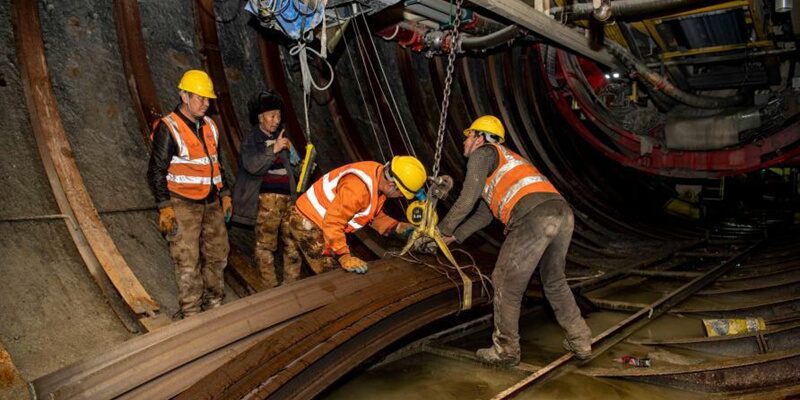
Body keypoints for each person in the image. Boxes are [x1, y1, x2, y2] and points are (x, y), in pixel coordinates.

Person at [435, 115, 592, 366]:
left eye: (469, 135)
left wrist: (438, 230)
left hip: (533, 216)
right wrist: (453, 236)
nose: (465, 140)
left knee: (505, 281)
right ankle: (581, 340)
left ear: (480, 137)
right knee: (554, 280)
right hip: (562, 213)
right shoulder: (505, 164)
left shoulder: (484, 154)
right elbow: (484, 215)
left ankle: (505, 351)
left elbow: (467, 199)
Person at [146, 69, 232, 319]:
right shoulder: (169, 127)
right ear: (184, 96)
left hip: (211, 202)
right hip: (182, 205)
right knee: (187, 260)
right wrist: (164, 206)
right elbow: (155, 171)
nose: (206, 104)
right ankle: (192, 313)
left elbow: (216, 163)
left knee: (218, 255)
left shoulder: (210, 126)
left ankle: (214, 303)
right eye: (200, 98)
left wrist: (224, 193)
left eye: (208, 99)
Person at [289, 156, 423, 275]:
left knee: (294, 268)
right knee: (332, 274)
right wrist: (343, 255)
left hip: (325, 223)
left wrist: (397, 227)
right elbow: (333, 222)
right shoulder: (357, 188)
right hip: (308, 221)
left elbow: (370, 213)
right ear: (392, 185)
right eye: (401, 194)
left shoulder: (377, 175)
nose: (400, 197)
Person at [231, 90, 301, 287]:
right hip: (267, 200)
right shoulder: (252, 140)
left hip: (289, 199)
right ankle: (269, 288)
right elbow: (252, 165)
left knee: (292, 242)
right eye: (272, 115)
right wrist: (274, 149)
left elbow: (292, 171)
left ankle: (292, 285)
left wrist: (302, 165)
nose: (276, 120)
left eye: (278, 115)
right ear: (260, 117)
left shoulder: (283, 139)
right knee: (266, 245)